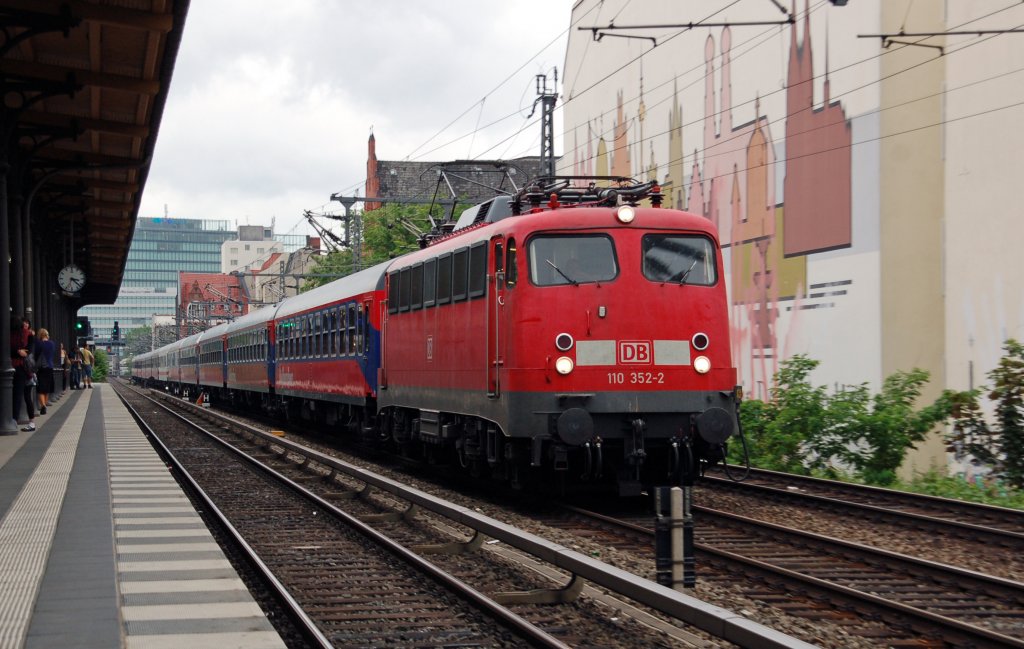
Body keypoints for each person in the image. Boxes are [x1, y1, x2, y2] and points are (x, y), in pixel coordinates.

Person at [9, 315, 36, 431]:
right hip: (25, 368)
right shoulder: (28, 334)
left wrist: (16, 352)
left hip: (16, 366)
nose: (25, 325)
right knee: (22, 395)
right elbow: (29, 351)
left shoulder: (9, 333)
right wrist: (19, 351)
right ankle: (17, 420)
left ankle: (15, 419)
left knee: (19, 394)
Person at [33, 328, 57, 415]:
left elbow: (35, 353)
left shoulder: (38, 343)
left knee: (40, 388)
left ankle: (43, 405)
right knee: (47, 388)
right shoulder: (52, 344)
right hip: (50, 367)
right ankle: (45, 405)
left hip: (41, 367)